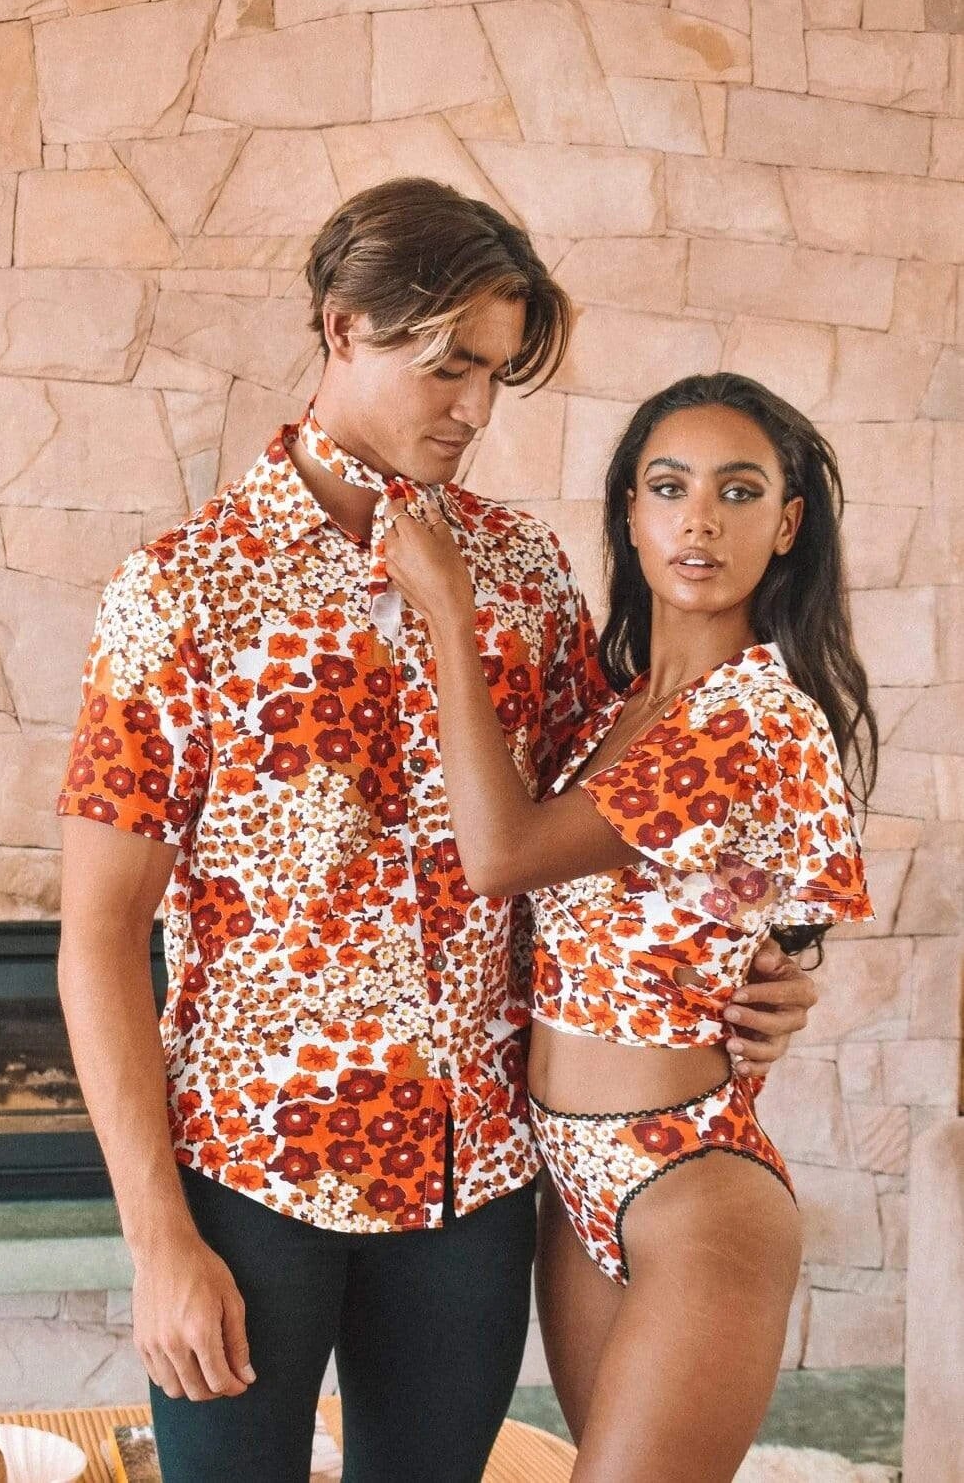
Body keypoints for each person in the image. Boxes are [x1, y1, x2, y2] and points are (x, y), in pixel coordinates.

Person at [56, 181, 817, 1483]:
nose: (474, 408)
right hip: (249, 1174)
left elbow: (611, 835)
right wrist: (157, 1240)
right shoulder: (183, 591)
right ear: (342, 325)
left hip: (474, 1192)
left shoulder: (522, 572)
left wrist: (771, 963)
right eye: (448, 364)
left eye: (495, 373)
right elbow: (97, 936)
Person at [383, 371, 877, 1483]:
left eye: (738, 492)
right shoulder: (609, 714)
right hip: (572, 1181)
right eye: (668, 487)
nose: (699, 520)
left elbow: (501, 857)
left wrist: (449, 614)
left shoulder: (756, 718)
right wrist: (769, 969)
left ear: (786, 525)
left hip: (689, 1186)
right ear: (630, 513)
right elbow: (711, 907)